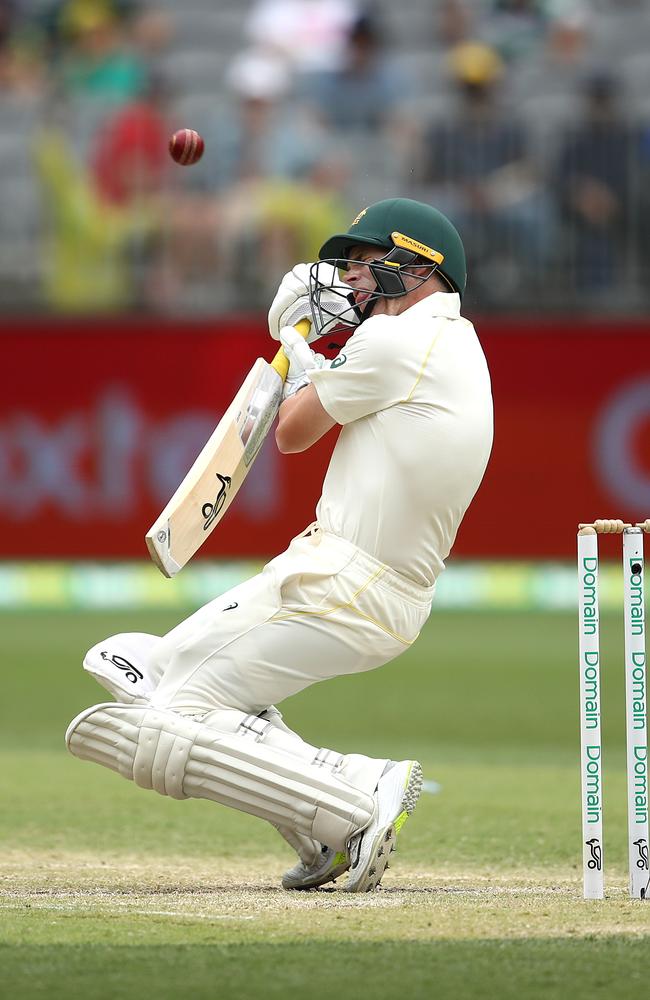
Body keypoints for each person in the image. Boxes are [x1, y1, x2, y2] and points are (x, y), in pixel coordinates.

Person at [66, 198, 494, 892]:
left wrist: (297, 350)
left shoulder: (400, 341)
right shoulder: (452, 343)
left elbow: (292, 432)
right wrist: (318, 354)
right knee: (140, 668)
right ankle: (323, 829)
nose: (351, 278)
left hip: (348, 578)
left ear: (419, 267)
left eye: (364, 262)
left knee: (169, 714)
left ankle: (356, 801)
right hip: (354, 577)